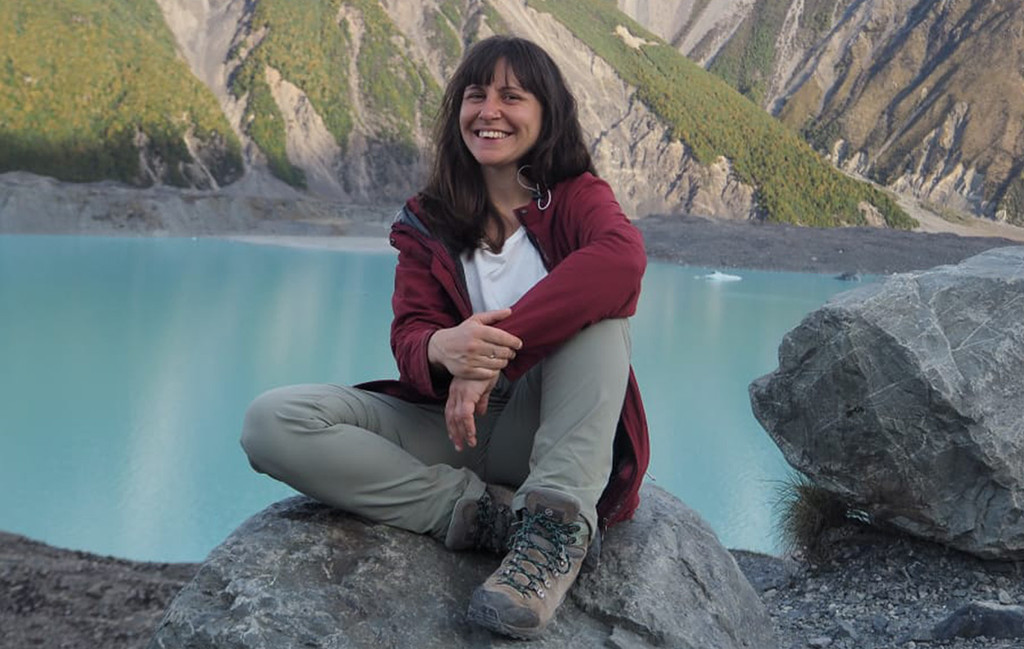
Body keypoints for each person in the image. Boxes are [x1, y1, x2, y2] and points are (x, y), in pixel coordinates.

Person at [241, 35, 649, 639]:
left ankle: (554, 532)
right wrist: (440, 349)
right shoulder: (429, 218)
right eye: (475, 95)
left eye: (512, 96)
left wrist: (490, 360)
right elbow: (410, 335)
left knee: (601, 321)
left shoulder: (575, 198)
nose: (489, 111)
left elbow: (622, 262)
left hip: (545, 428)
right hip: (452, 426)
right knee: (272, 422)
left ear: (547, 114)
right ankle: (477, 515)